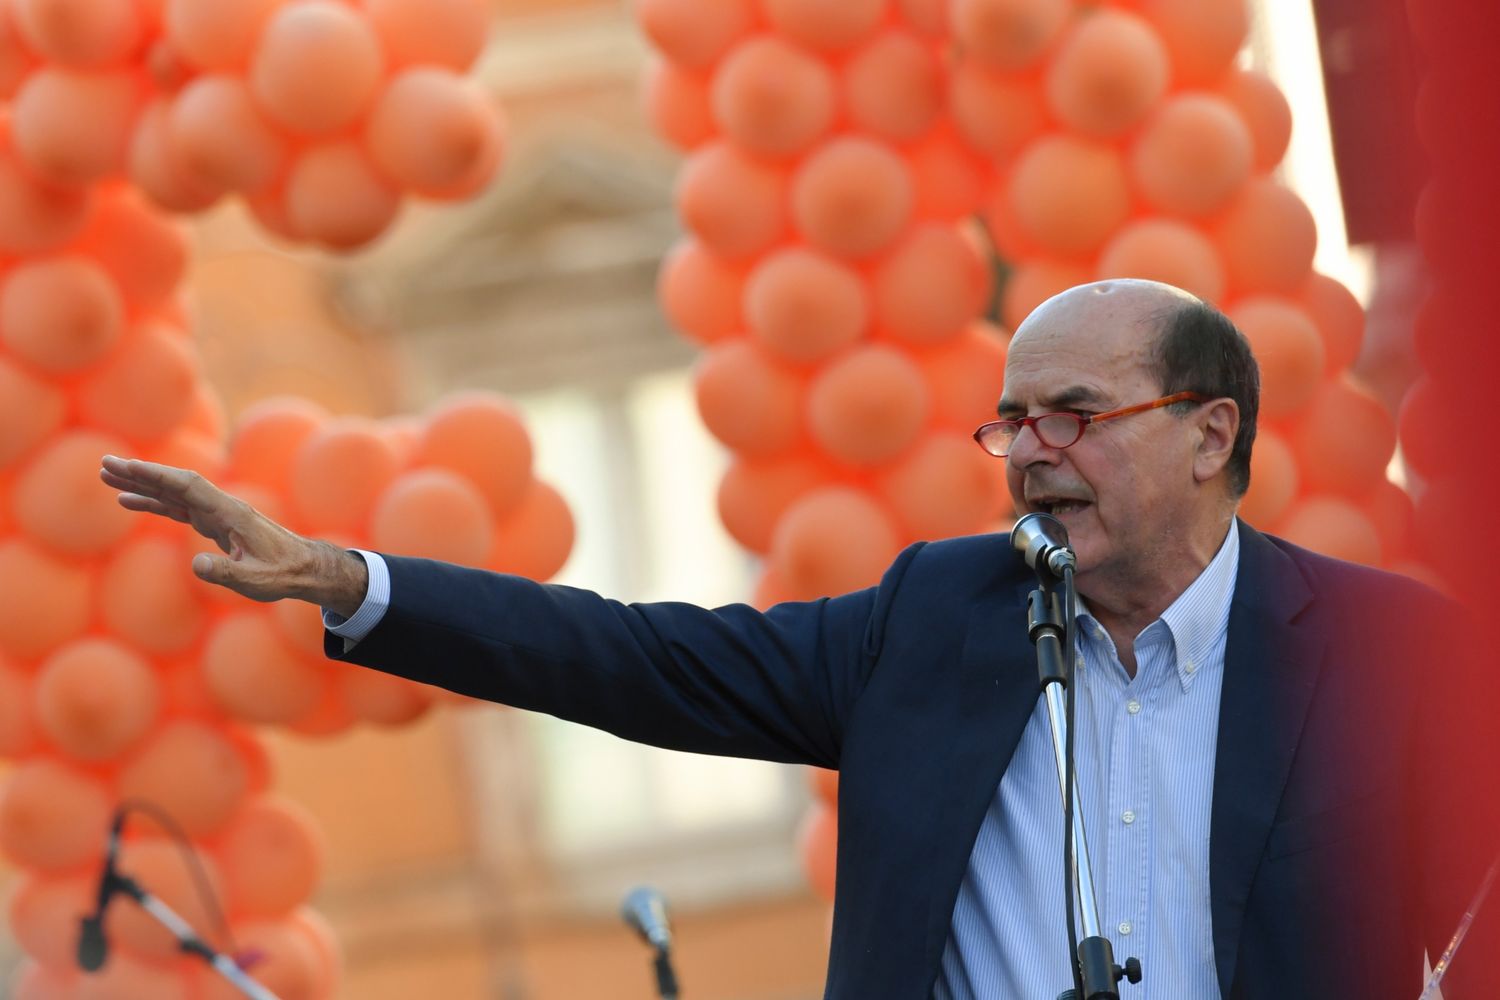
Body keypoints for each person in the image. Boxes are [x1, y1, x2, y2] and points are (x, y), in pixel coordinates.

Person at [101, 279, 1497, 999]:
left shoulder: (1384, 658)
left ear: (1212, 434)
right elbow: (634, 655)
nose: (1027, 453)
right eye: (1010, 422)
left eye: (1072, 414)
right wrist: (348, 578)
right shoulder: (937, 621)